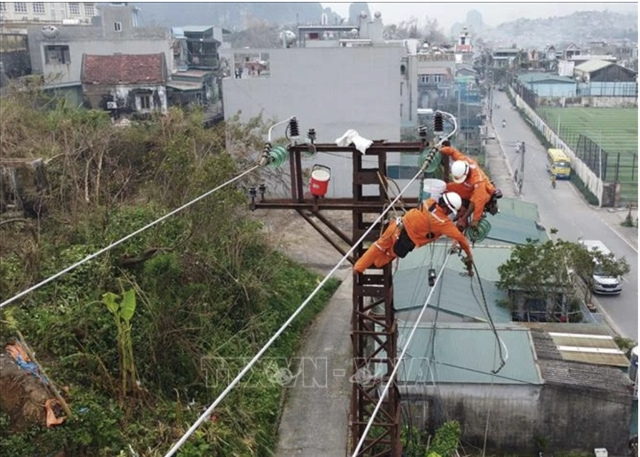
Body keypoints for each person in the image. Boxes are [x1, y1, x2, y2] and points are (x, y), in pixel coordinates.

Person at [353, 192, 474, 276]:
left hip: (395, 226)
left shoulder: (429, 202)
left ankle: (358, 268)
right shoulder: (443, 223)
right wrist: (469, 256)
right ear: (447, 209)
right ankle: (369, 263)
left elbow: (432, 214)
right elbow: (462, 240)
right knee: (380, 262)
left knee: (378, 246)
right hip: (402, 242)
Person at [439, 141, 500, 231]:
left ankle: (465, 214)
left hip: (485, 193)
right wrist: (442, 150)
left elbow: (480, 200)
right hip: (468, 187)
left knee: (475, 198)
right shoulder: (463, 161)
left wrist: (475, 220)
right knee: (446, 187)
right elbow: (453, 152)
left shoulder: (477, 181)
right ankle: (461, 209)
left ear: (466, 174)